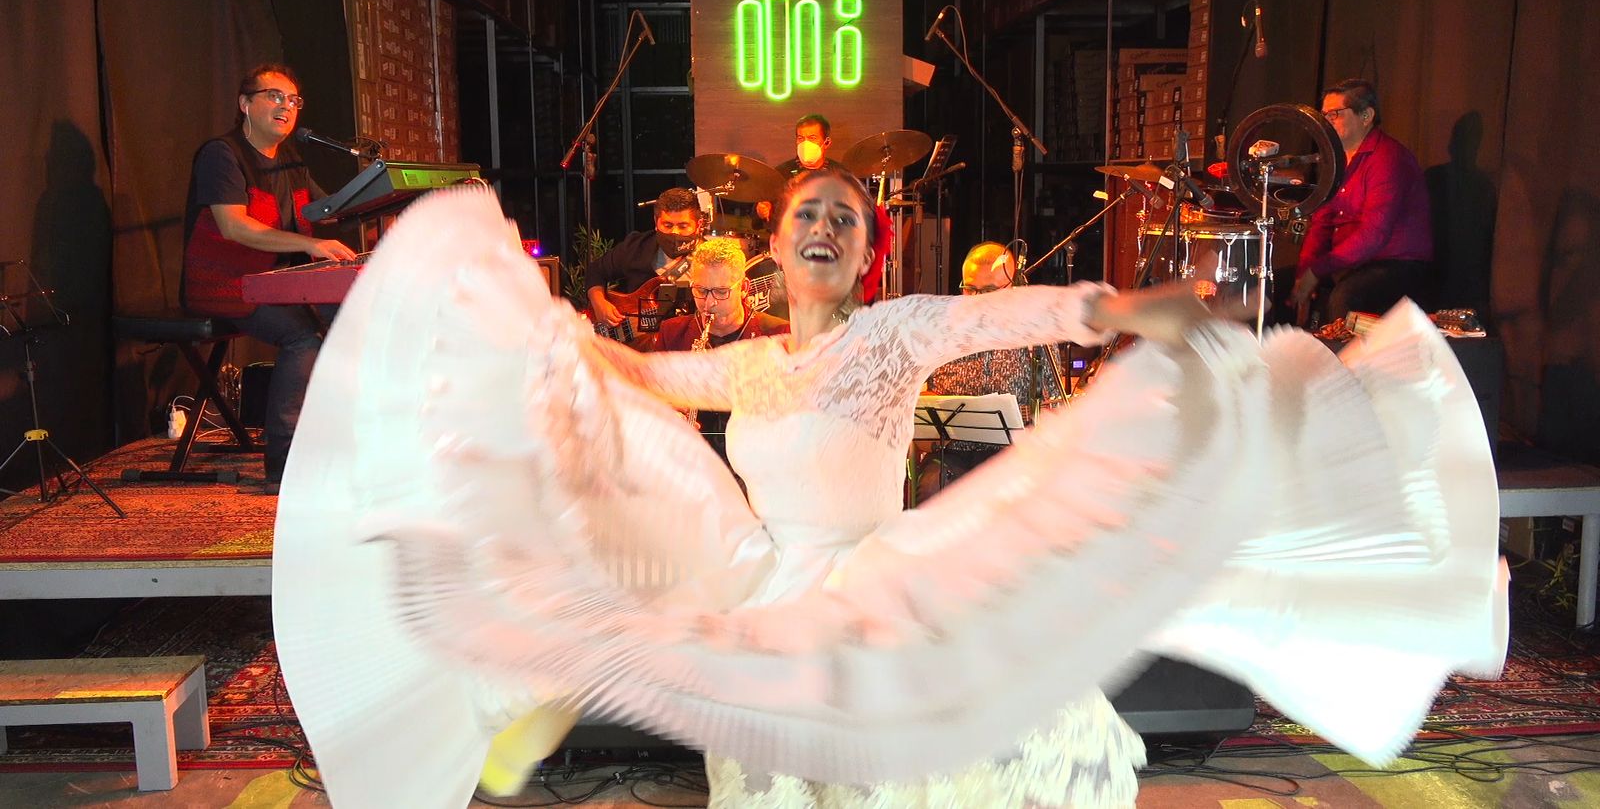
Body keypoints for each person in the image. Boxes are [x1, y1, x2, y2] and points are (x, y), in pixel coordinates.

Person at [272, 168, 1506, 808]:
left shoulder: (897, 330)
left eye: (846, 221)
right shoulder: (750, 361)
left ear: (866, 253)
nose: (824, 228)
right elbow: (631, 373)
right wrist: (526, 324)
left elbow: (1015, 311)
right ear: (775, 243)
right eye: (805, 215)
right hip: (766, 593)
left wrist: (1128, 306)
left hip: (874, 578)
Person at [180, 63, 357, 493]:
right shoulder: (223, 154)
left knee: (351, 317)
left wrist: (390, 196)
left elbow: (330, 210)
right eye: (274, 96)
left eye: (293, 100)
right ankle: (285, 465)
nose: (286, 106)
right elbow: (233, 226)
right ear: (245, 104)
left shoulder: (290, 162)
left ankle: (341, 444)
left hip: (278, 283)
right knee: (304, 337)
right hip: (226, 283)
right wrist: (312, 245)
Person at [917, 242, 1068, 499]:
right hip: (953, 452)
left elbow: (1054, 407)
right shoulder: (940, 335)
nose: (978, 300)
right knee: (933, 483)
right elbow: (917, 400)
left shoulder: (1034, 336)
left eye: (988, 290)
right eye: (970, 289)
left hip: (1012, 454)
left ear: (1012, 288)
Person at [1291, 78, 1433, 327]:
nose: (1326, 121)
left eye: (1335, 114)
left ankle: (1345, 353)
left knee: (1346, 297)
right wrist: (1304, 274)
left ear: (1366, 116)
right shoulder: (1335, 163)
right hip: (1353, 264)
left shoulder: (1388, 159)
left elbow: (1373, 234)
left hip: (1396, 265)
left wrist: (1318, 270)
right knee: (1277, 288)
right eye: (1324, 115)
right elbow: (1321, 224)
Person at [643, 237, 788, 462]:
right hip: (694, 463)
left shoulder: (777, 334)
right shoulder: (672, 333)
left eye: (721, 292)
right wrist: (666, 412)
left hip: (759, 461)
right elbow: (653, 404)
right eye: (700, 290)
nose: (708, 303)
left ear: (744, 288)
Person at [584, 187, 702, 332]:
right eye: (667, 225)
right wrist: (599, 302)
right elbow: (596, 270)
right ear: (656, 222)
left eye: (683, 226)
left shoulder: (710, 259)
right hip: (632, 341)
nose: (674, 232)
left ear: (698, 225)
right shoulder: (636, 247)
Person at [756, 114, 852, 228]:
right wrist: (761, 211)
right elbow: (758, 216)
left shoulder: (840, 174)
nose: (806, 144)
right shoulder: (781, 172)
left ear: (827, 143)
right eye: (801, 138)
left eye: (812, 138)